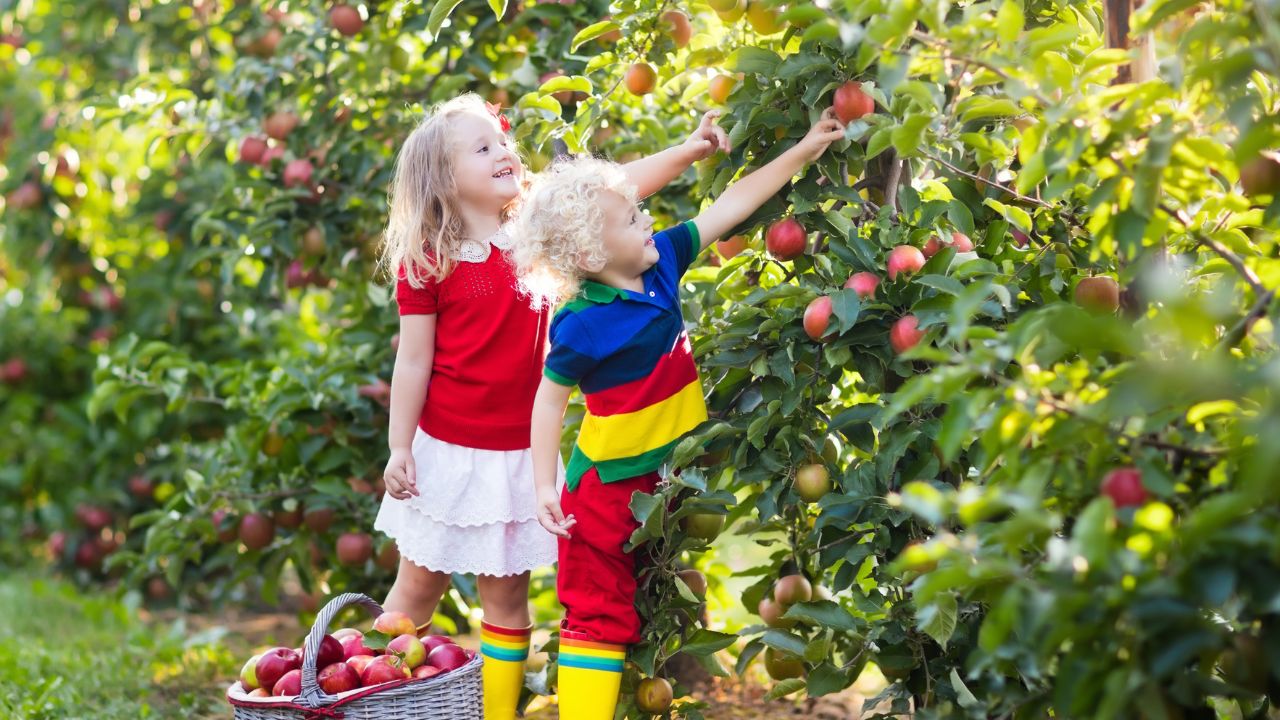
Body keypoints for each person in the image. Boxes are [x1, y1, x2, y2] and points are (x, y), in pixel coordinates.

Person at [374, 92, 729, 719]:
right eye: (482, 148)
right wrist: (401, 446)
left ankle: (494, 714)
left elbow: (618, 188)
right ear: (443, 178)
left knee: (507, 601)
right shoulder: (430, 258)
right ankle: (366, 688)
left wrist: (691, 149)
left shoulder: (533, 224)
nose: (503, 152)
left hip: (517, 455)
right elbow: (413, 359)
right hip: (448, 451)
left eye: (501, 140)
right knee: (417, 585)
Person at [516, 108, 847, 719]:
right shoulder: (581, 324)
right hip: (606, 488)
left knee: (650, 598)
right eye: (632, 217)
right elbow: (548, 401)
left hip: (665, 478)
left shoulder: (662, 262)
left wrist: (804, 149)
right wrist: (544, 485)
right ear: (592, 250)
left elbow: (733, 204)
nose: (648, 220)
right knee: (597, 612)